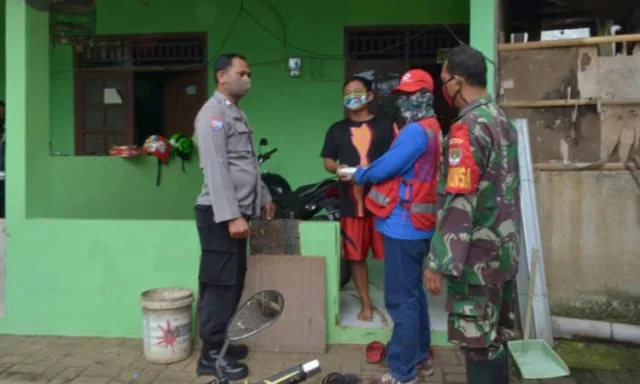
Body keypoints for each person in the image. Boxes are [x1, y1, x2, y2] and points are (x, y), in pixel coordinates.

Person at [424, 45, 521, 384]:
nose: (443, 87)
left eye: (444, 80)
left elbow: (459, 200)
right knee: (495, 338)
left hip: (476, 261)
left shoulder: (467, 128)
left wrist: (438, 261)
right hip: (503, 252)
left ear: (458, 82)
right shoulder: (502, 120)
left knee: (477, 343)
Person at [352, 69, 441, 384]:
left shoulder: (417, 131)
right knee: (413, 296)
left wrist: (359, 174)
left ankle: (403, 373)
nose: (403, 101)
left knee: (401, 301)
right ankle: (419, 357)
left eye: (409, 95)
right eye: (401, 96)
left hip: (405, 226)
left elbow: (388, 166)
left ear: (424, 97)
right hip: (418, 225)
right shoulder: (432, 128)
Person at [193, 53, 276, 380]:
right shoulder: (212, 114)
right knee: (219, 286)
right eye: (242, 73)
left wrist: (265, 197)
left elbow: (247, 165)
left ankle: (223, 343)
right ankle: (211, 357)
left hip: (237, 214)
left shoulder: (233, 113)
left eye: (250, 73)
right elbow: (216, 169)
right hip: (218, 217)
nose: (248, 79)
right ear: (221, 76)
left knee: (233, 283)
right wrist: (230, 216)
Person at [320, 75, 395, 321]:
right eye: (347, 92)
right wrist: (337, 169)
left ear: (370, 95)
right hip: (351, 205)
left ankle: (397, 305)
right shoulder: (336, 129)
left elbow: (398, 158)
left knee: (393, 255)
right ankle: (366, 303)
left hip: (383, 204)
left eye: (357, 91)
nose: (352, 96)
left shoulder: (386, 125)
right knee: (355, 256)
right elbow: (327, 160)